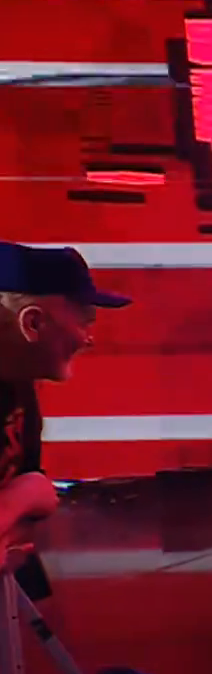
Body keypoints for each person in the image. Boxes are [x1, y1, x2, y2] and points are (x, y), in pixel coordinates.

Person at [0, 243, 130, 587]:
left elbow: (39, 495)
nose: (89, 339)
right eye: (84, 323)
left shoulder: (20, 389)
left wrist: (21, 498)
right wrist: (22, 497)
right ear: (33, 323)